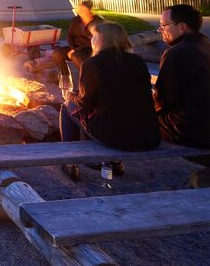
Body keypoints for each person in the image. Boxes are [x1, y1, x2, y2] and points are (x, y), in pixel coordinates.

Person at [59, 21, 161, 180]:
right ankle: (113, 162)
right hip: (149, 135)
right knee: (106, 112)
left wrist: (71, 96)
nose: (91, 40)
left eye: (94, 36)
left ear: (103, 40)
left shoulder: (92, 64)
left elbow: (84, 104)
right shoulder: (137, 61)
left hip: (116, 137)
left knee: (67, 107)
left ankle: (70, 162)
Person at [154, 4, 210, 148]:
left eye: (163, 25)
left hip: (196, 134)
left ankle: (111, 164)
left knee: (131, 116)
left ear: (182, 27)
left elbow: (162, 101)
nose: (160, 30)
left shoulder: (176, 53)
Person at [51, 0, 104, 90]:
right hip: (76, 48)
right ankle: (66, 81)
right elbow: (70, 36)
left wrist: (76, 51)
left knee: (76, 56)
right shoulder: (76, 20)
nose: (79, 10)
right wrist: (73, 48)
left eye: (82, 9)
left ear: (88, 10)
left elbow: (96, 40)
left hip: (91, 49)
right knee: (57, 53)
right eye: (80, 8)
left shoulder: (97, 21)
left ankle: (86, 84)